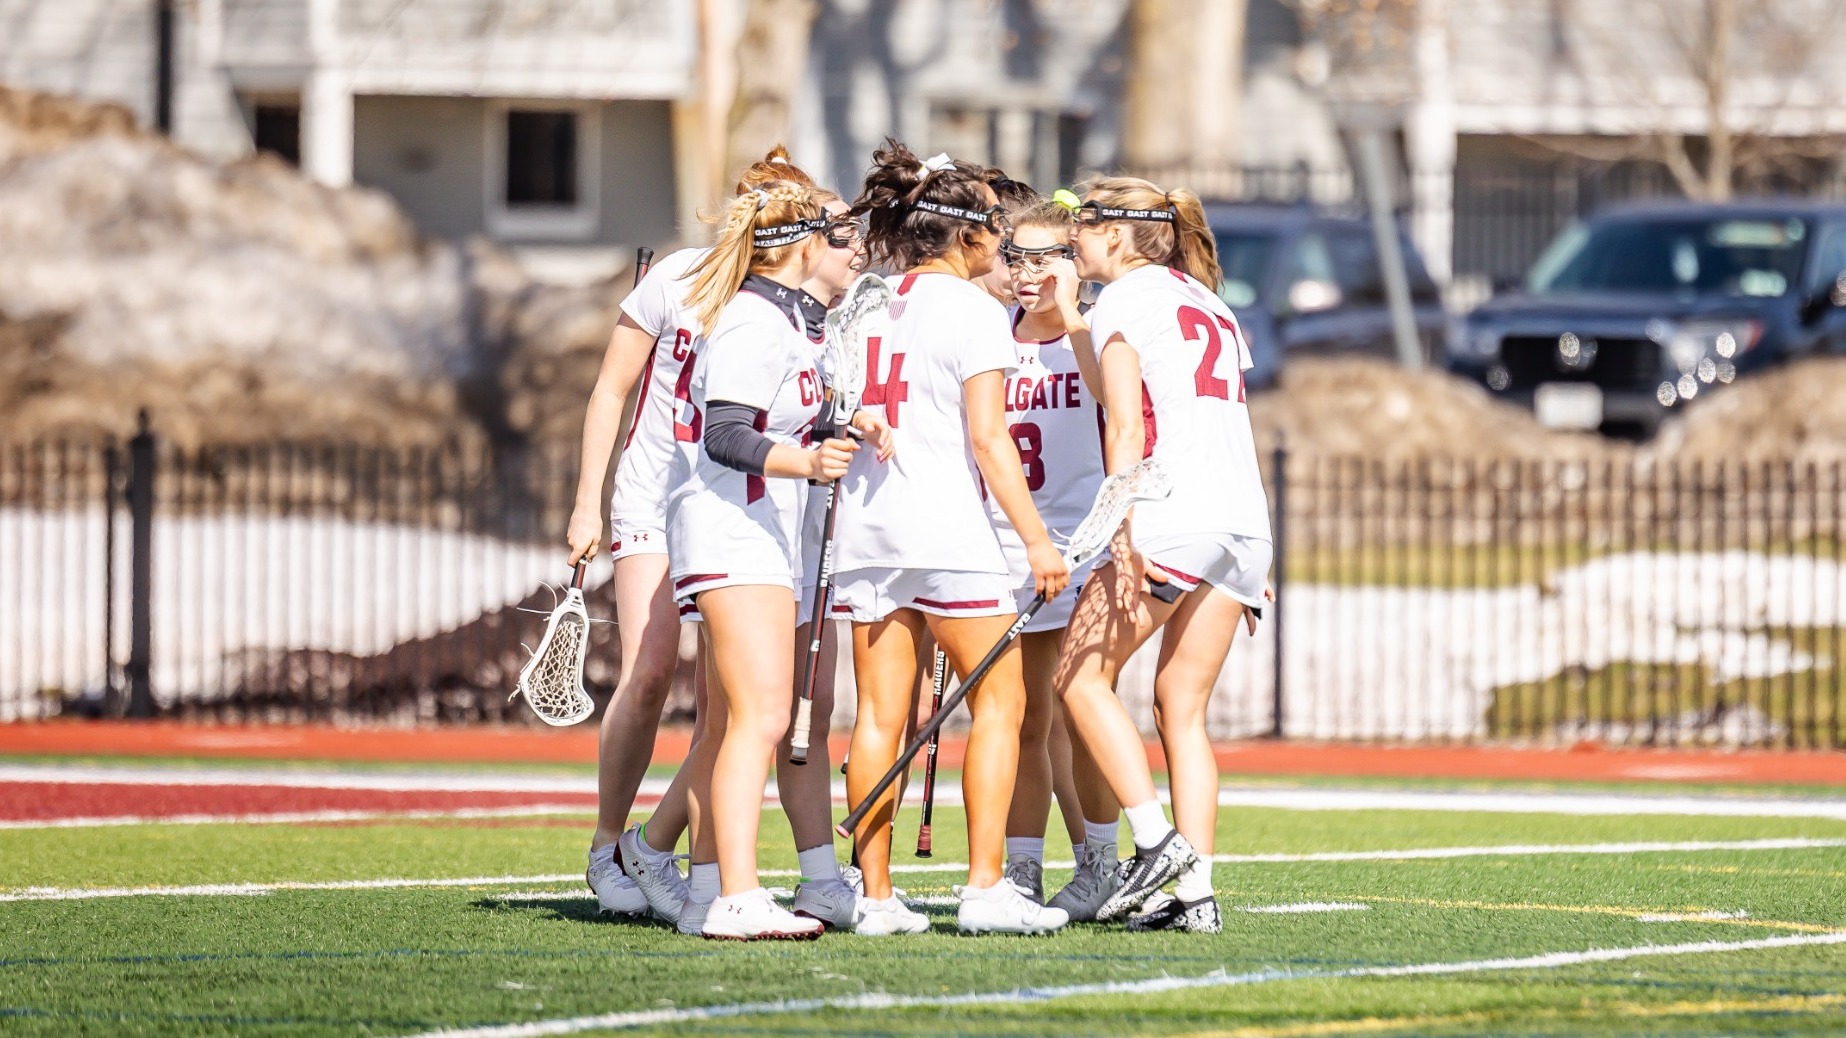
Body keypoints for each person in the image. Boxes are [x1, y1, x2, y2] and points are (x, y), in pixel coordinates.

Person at [565, 147, 824, 923]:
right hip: (654, 494)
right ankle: (609, 846)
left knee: (727, 707)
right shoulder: (678, 276)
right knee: (649, 673)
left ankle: (689, 863)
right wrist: (586, 503)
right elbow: (611, 388)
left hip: (726, 502)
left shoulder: (786, 303)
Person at [834, 141, 1070, 936]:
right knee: (1000, 700)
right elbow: (989, 439)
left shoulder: (867, 300)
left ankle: (874, 897)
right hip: (946, 532)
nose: (1004, 246)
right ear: (966, 235)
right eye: (997, 232)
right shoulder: (972, 310)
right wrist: (1036, 542)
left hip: (868, 527)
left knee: (879, 715)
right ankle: (985, 888)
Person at [1053, 176, 1272, 934]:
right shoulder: (1207, 301)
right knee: (1181, 707)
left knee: (1079, 680)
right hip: (1241, 522)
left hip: (1173, 512)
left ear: (1118, 234)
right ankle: (1197, 897)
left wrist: (1121, 529)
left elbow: (1125, 426)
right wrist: (1073, 318)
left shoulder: (1125, 298)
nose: (1072, 238)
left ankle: (1155, 844)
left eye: (1083, 225)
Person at [987, 199, 1124, 920]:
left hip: (1086, 547)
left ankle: (1103, 861)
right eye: (1018, 256)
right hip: (1008, 548)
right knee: (1024, 718)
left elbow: (1112, 401)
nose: (1027, 272)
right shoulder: (989, 335)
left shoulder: (1095, 334)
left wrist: (1073, 314)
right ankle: (1022, 870)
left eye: (1045, 258)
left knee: (1085, 708)